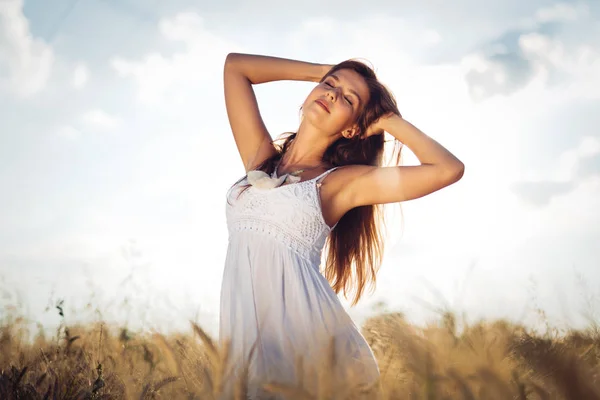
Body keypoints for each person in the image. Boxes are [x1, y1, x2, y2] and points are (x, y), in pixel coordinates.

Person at [219, 53, 464, 398]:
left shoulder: (338, 184)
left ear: (353, 128)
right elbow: (235, 68)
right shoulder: (261, 160)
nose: (333, 94)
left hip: (310, 347)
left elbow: (447, 169)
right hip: (248, 342)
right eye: (330, 87)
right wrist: (323, 73)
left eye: (349, 98)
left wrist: (387, 121)